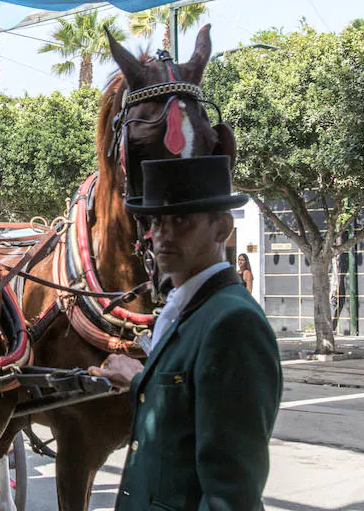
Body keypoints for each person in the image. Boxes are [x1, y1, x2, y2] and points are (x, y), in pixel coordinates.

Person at [89, 155, 282, 511]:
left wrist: (140, 380)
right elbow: (185, 412)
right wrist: (139, 381)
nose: (163, 235)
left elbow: (231, 495)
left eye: (181, 220)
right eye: (155, 222)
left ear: (222, 228)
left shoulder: (232, 323)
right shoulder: (184, 307)